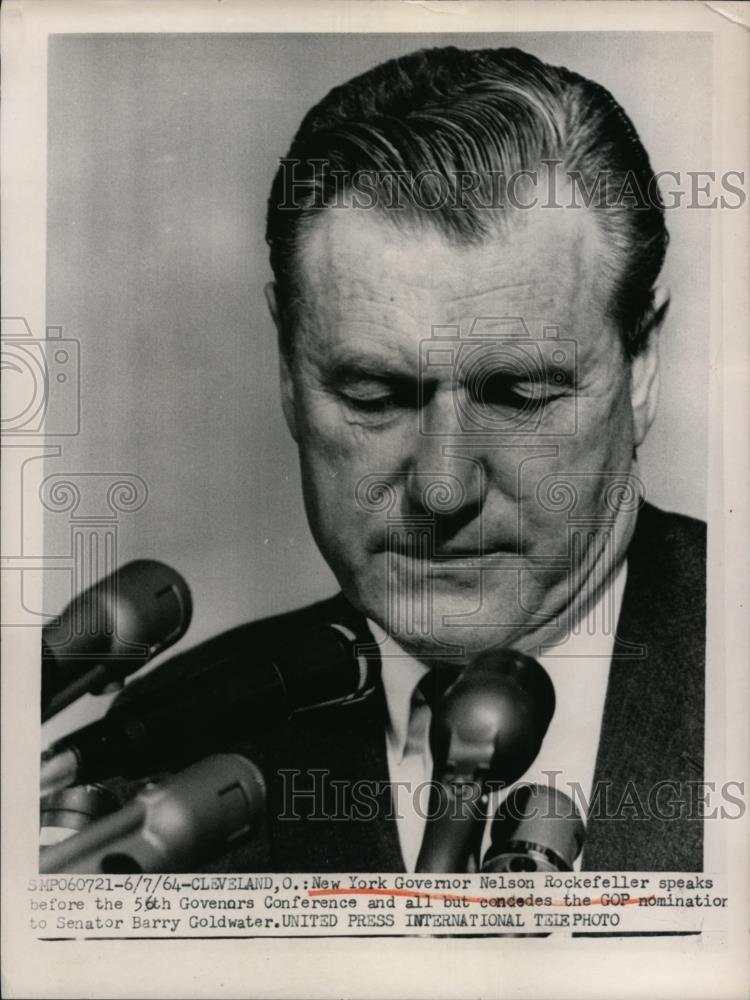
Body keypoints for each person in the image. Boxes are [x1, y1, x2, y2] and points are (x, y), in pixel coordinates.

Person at [132, 45, 706, 873]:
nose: (442, 487)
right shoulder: (170, 753)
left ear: (641, 365)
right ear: (288, 371)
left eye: (517, 395)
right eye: (375, 395)